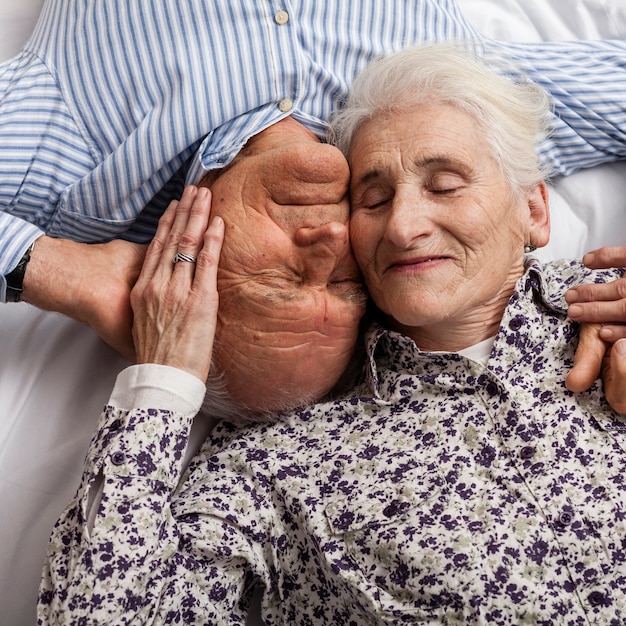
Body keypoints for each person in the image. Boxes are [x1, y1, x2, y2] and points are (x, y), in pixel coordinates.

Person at [38, 44, 626, 624]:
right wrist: (165, 378)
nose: (403, 225)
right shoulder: (274, 458)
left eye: (444, 185)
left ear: (535, 211)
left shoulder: (611, 300)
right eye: (373, 200)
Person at [3, 0, 626, 408]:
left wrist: (61, 274)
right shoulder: (453, 114)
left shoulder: (77, 157)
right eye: (352, 282)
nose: (332, 241)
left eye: (281, 280)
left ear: (183, 271)